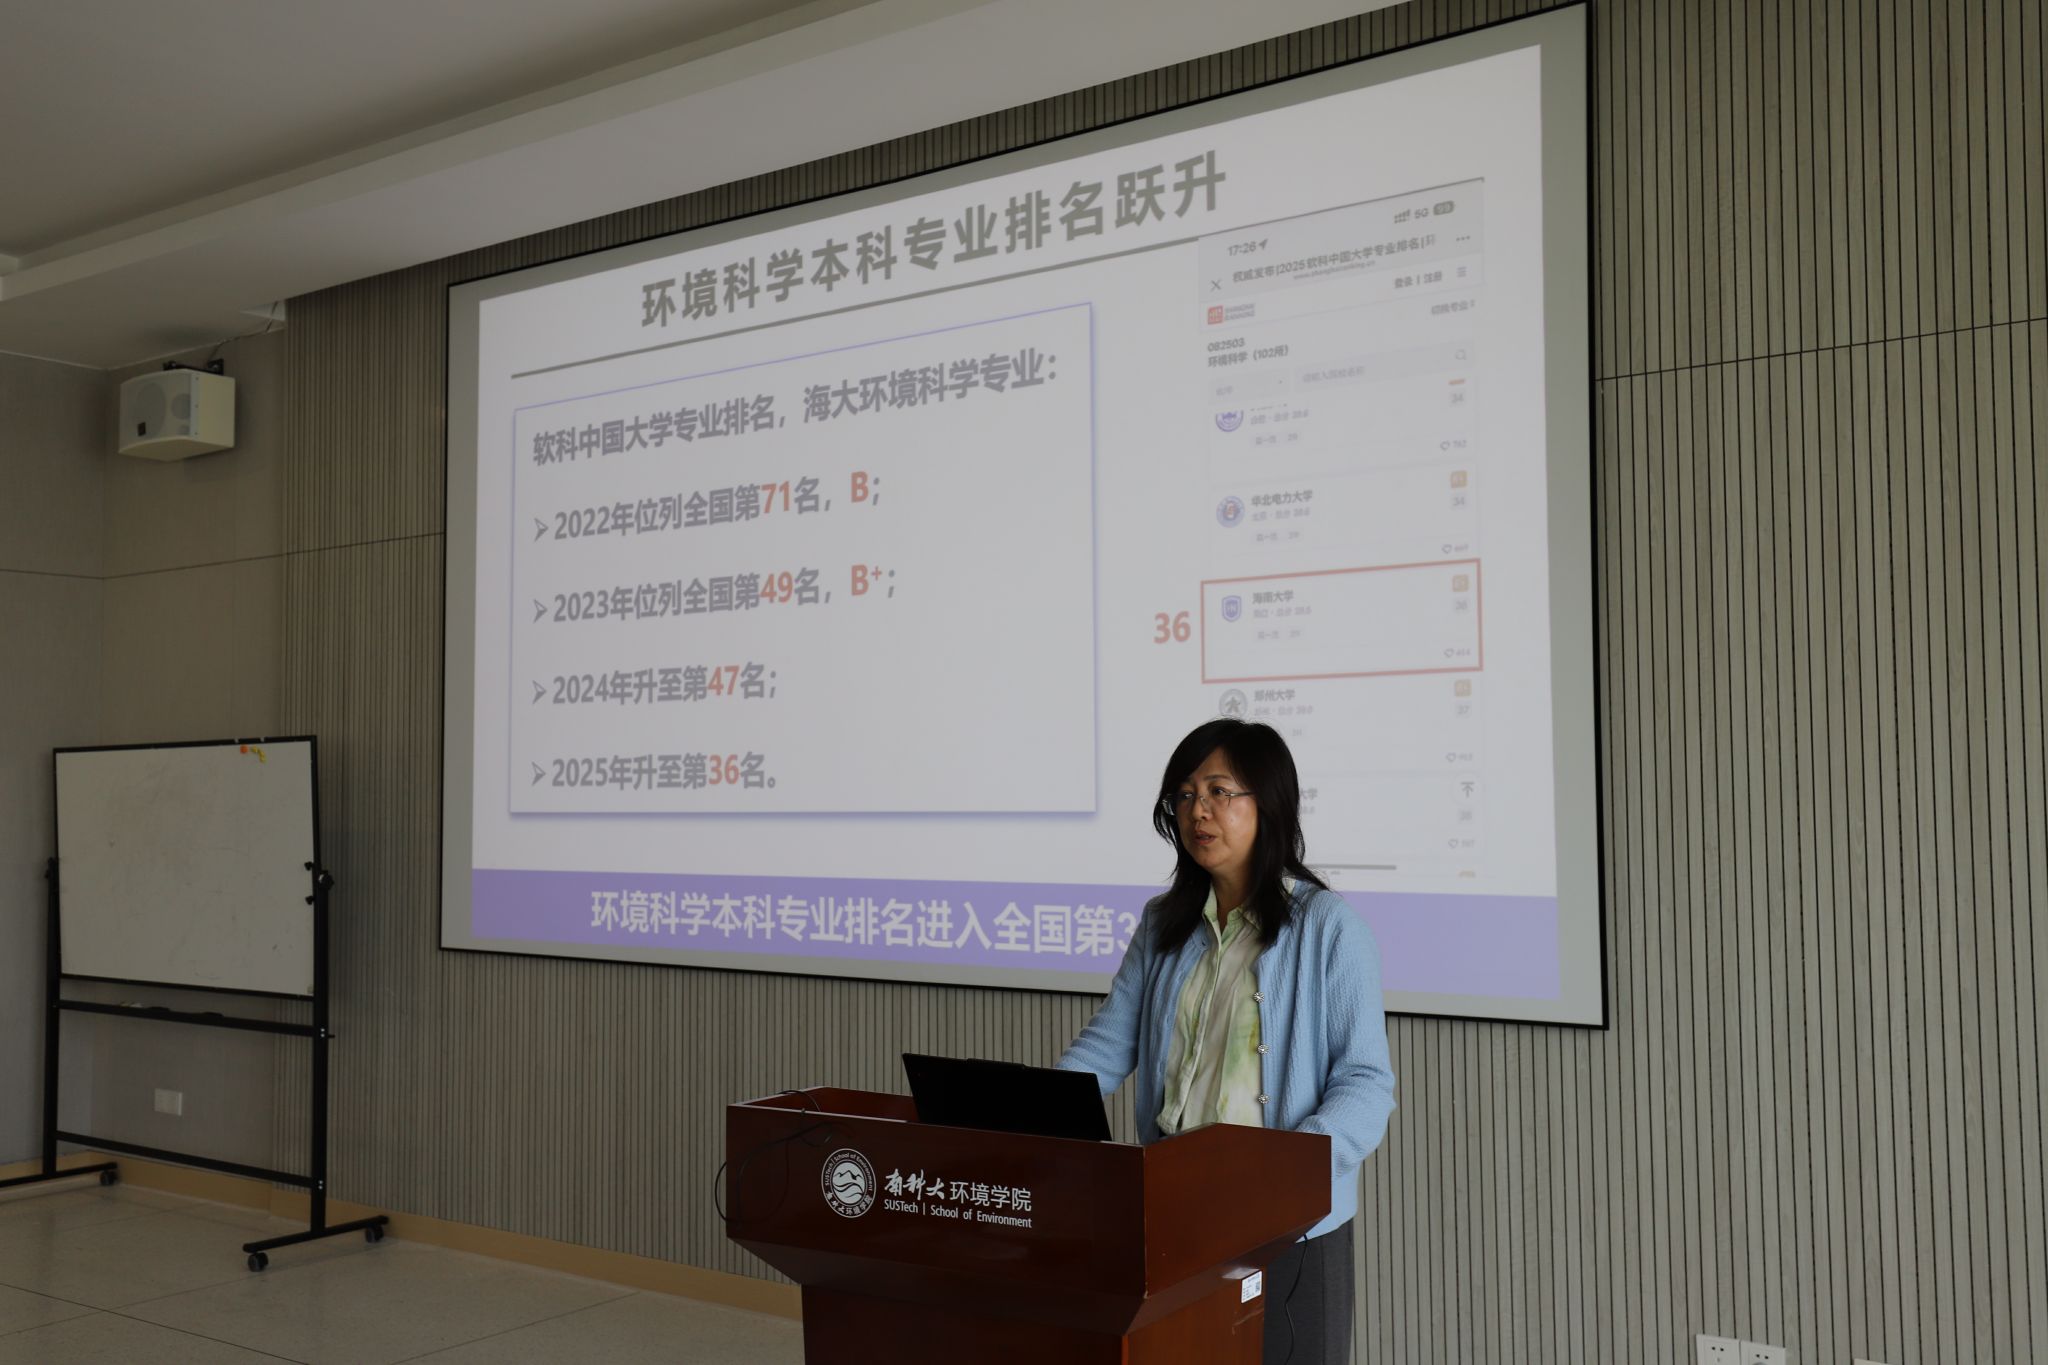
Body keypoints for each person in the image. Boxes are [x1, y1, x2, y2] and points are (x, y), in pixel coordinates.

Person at [1057, 717, 1396, 1364]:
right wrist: (1030, 1116)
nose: (1198, 811)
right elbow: (1105, 1047)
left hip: (1287, 1226)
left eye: (1219, 791)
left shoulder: (1329, 927)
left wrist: (1287, 1176)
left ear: (1268, 803)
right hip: (1176, 1208)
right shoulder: (1163, 923)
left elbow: (1366, 1082)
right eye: (1185, 794)